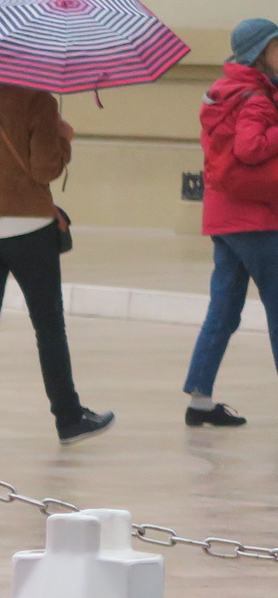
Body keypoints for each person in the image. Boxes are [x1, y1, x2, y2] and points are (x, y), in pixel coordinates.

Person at [0, 81, 109, 448]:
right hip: (28, 229)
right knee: (48, 325)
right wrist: (63, 139)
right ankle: (68, 419)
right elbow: (44, 169)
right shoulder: (40, 101)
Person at [179, 18, 278, 429]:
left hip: (223, 217)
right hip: (256, 219)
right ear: (259, 53)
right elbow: (250, 147)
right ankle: (199, 400)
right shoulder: (256, 97)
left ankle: (200, 401)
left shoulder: (222, 92)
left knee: (223, 309)